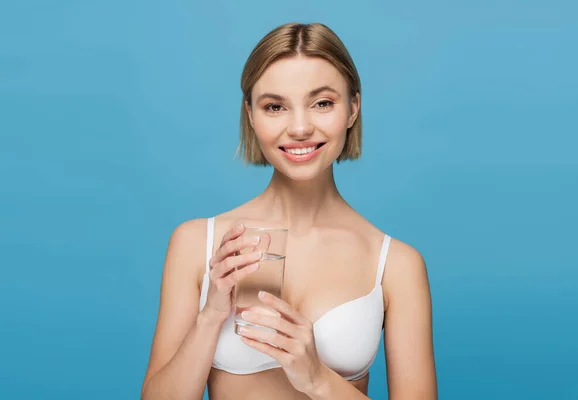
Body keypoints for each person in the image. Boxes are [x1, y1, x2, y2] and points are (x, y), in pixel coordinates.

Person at [140, 22, 437, 400]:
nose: (299, 127)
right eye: (275, 106)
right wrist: (211, 315)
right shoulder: (198, 243)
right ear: (250, 114)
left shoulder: (396, 264)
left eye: (323, 103)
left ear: (353, 109)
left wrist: (316, 377)